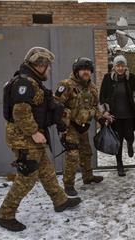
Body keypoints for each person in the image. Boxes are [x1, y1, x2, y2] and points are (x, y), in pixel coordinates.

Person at [0, 47, 81, 232]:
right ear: (39, 65)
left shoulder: (33, 81)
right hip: (24, 138)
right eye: (47, 65)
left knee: (47, 171)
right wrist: (34, 132)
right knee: (27, 177)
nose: (49, 69)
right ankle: (5, 215)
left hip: (32, 137)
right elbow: (20, 111)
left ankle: (60, 201)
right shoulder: (25, 83)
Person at [54, 57, 113, 196]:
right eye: (82, 69)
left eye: (88, 69)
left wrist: (101, 117)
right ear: (76, 71)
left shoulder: (92, 87)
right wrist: (63, 123)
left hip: (84, 126)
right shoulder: (66, 85)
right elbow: (56, 105)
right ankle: (68, 184)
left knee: (87, 153)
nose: (86, 72)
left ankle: (88, 177)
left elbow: (95, 106)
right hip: (71, 127)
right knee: (73, 155)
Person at [99, 55, 135, 176]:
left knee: (129, 135)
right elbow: (102, 96)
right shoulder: (107, 78)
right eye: (118, 66)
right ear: (114, 67)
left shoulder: (129, 77)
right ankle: (119, 165)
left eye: (122, 66)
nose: (120, 68)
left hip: (129, 114)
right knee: (118, 141)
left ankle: (130, 144)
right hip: (115, 116)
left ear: (125, 67)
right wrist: (104, 111)